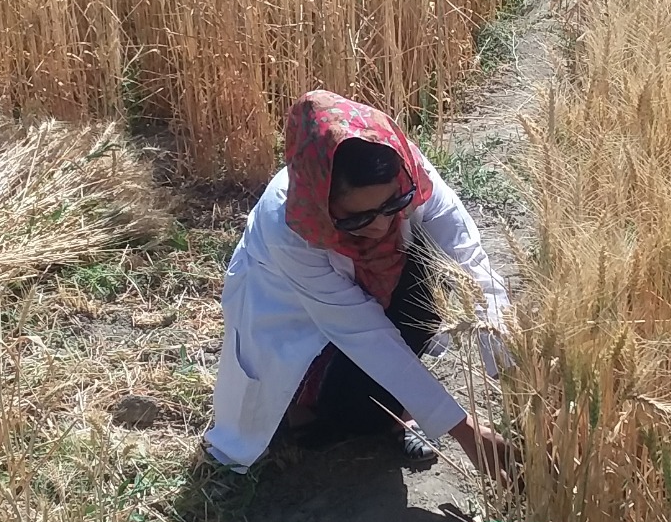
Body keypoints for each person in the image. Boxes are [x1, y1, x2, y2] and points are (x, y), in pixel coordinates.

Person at [205, 90, 513, 477]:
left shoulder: (411, 175)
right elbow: (366, 335)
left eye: (392, 205)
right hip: (300, 319)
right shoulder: (288, 229)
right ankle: (308, 408)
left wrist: (516, 379)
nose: (382, 226)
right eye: (357, 219)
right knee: (356, 413)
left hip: (366, 308)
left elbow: (472, 270)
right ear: (323, 204)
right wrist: (467, 433)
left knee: (437, 274)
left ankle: (395, 404)